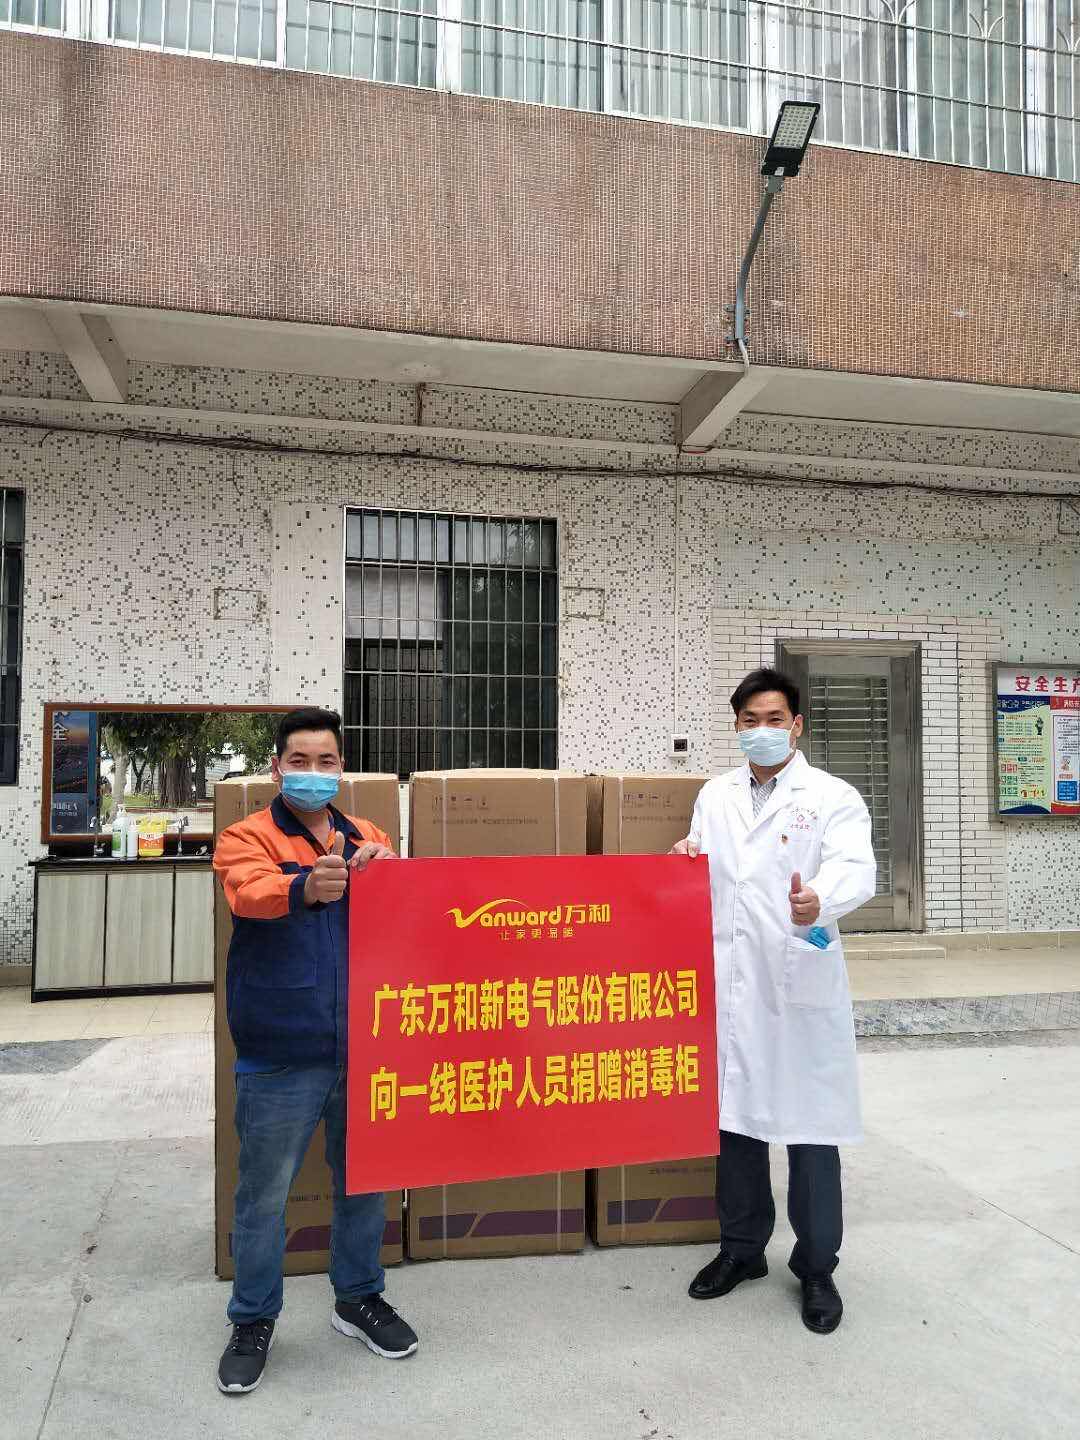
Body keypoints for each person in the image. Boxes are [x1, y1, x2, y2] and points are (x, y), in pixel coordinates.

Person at [212, 707, 418, 1394]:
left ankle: (358, 1297)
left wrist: (393, 872)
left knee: (363, 1182)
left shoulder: (369, 836)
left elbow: (409, 910)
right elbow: (249, 894)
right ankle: (252, 1318)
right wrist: (303, 886)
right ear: (277, 768)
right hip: (281, 1047)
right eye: (298, 762)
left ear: (341, 768)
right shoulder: (247, 836)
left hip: (366, 1042)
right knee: (263, 1195)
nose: (312, 773)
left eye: (325, 762)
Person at [671, 668, 876, 1334]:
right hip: (731, 981)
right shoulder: (716, 794)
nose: (761, 730)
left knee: (811, 1127)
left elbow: (856, 868)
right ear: (736, 727)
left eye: (774, 719)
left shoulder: (832, 795)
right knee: (735, 1120)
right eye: (749, 721)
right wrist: (685, 856)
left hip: (796, 978)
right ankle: (742, 1249)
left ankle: (816, 1268)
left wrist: (822, 897)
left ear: (797, 725)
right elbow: (704, 864)